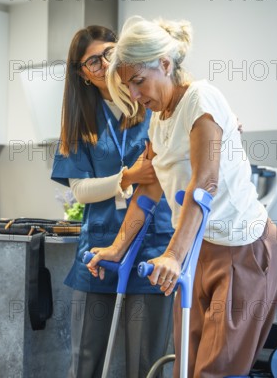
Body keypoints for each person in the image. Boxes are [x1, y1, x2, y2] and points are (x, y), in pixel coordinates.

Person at [88, 16, 277, 378]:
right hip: (201, 249)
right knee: (186, 367)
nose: (134, 95)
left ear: (164, 64)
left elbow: (205, 184)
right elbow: (147, 189)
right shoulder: (158, 119)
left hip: (245, 250)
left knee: (216, 371)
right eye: (127, 87)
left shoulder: (201, 99)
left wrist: (172, 256)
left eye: (138, 82)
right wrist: (117, 249)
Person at [50, 25, 175, 378]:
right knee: (86, 360)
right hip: (99, 249)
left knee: (144, 364)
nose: (105, 64)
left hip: (152, 246)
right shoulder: (79, 123)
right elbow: (80, 190)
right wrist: (127, 178)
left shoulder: (151, 103)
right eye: (93, 61)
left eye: (109, 52)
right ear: (82, 74)